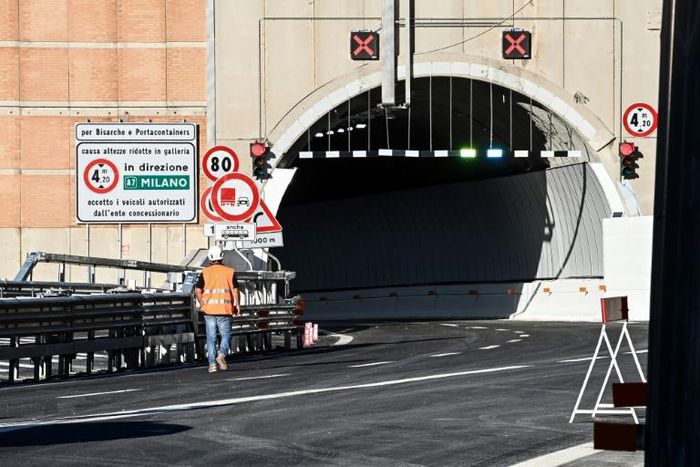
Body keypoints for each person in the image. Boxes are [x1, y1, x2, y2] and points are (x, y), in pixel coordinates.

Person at [195, 245, 240, 373]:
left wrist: (202, 303)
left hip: (209, 310)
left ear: (209, 257)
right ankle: (222, 355)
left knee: (211, 338)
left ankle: (212, 365)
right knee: (226, 335)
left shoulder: (205, 272)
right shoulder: (230, 271)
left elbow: (198, 290)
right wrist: (237, 304)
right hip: (225, 310)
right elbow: (235, 290)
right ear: (222, 256)